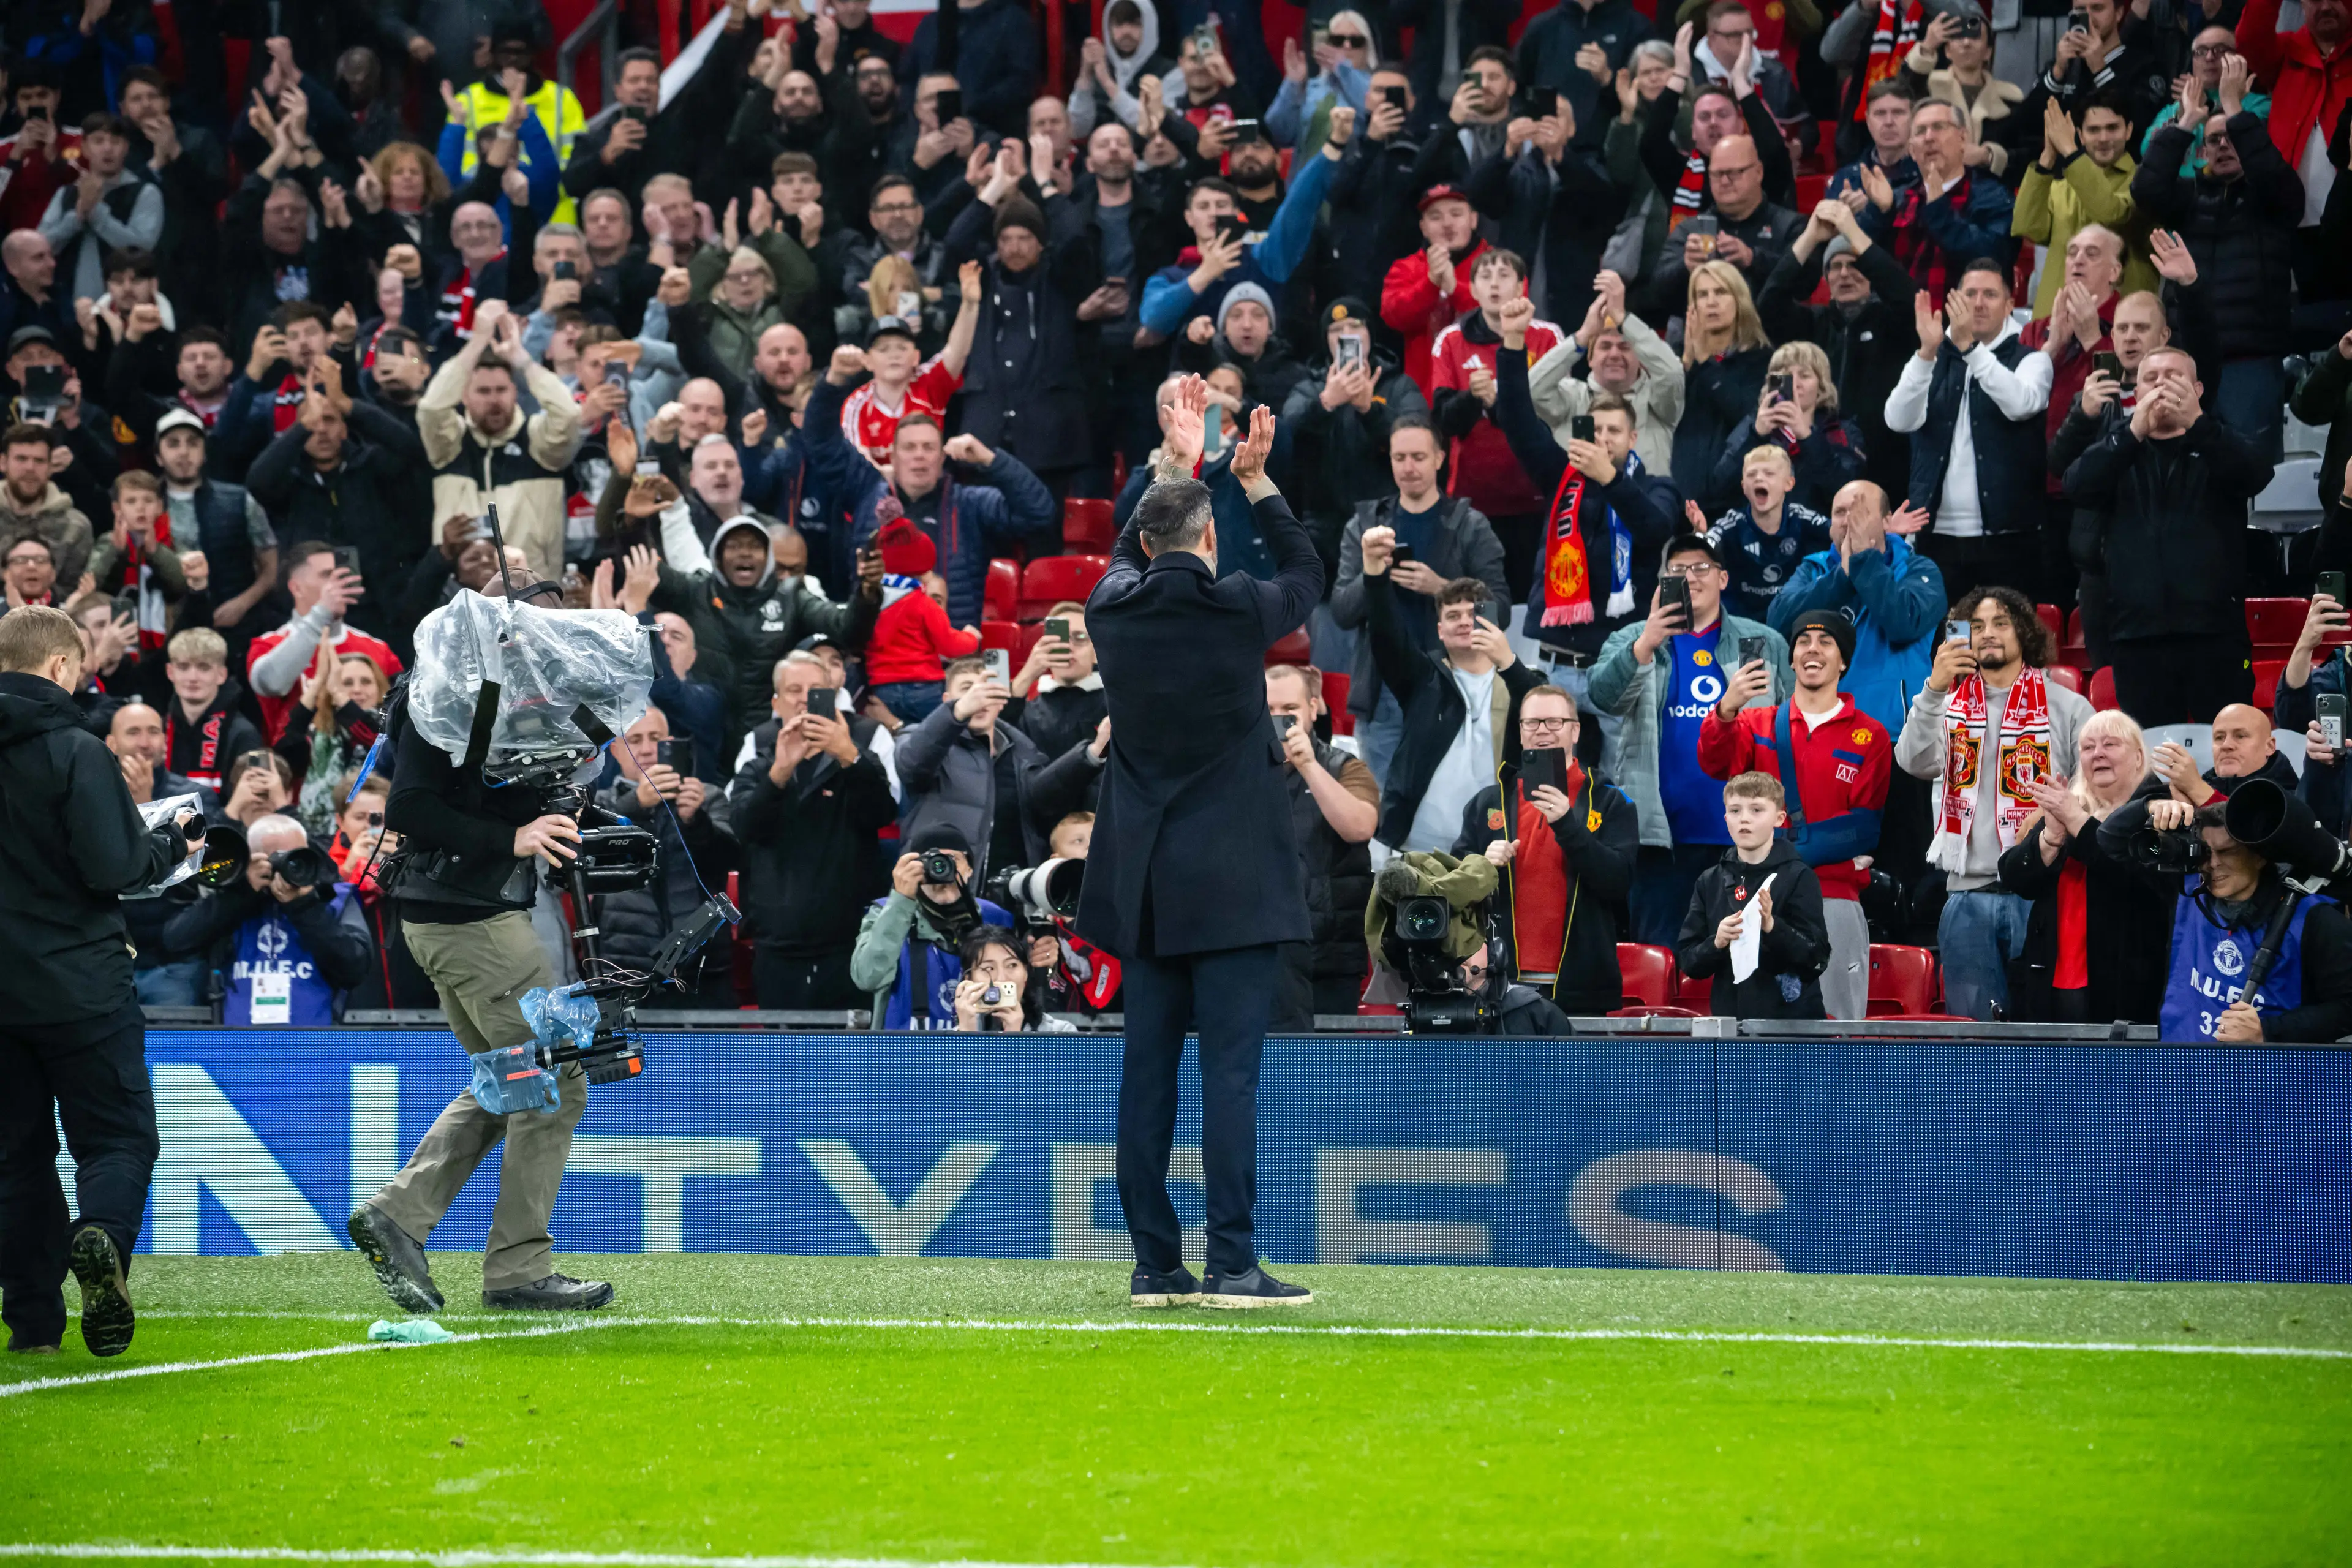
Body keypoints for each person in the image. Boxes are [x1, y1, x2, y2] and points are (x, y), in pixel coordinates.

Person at [1075, 382, 1322, 1310]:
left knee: (1147, 1079)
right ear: (1209, 543)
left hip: (1145, 886)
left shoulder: (1110, 613)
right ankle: (1232, 1266)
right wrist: (1255, 483)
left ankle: (1153, 1267)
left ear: (1144, 545)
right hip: (1237, 884)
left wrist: (1173, 464)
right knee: (1230, 1080)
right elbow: (1310, 574)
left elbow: (1116, 557)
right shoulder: (1240, 608)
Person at [349, 652, 614, 1316]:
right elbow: (409, 805)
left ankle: (398, 1216)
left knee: (511, 1079)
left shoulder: (483, 697)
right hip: (476, 923)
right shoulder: (443, 697)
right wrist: (516, 834)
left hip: (458, 918)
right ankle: (519, 1269)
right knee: (557, 1080)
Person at [0, 605, 197, 1357]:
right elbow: (115, 866)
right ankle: (102, 1239)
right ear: (58, 668)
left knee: (14, 1157)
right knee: (115, 1140)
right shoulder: (77, 750)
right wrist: (165, 844)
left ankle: (32, 1328)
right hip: (82, 985)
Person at [1896, 585, 2095, 1020]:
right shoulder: (1947, 706)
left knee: (2043, 1032)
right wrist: (1932, 688)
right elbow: (1911, 761)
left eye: (2001, 623)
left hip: (2043, 895)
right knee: (1974, 1040)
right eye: (1978, 625)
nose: (1988, 633)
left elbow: (2096, 785)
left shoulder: (2067, 706)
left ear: (2024, 632)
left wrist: (2055, 812)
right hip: (1967, 896)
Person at [1592, 532, 1792, 944]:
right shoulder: (1633, 639)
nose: (1691, 577)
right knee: (1660, 963)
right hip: (1658, 842)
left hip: (1745, 839)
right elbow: (1602, 698)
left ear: (1723, 578)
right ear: (1663, 581)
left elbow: (1791, 731)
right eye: (1678, 570)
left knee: (1744, 965)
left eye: (1701, 567)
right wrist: (1647, 642)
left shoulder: (1765, 642)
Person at [2061, 344, 2273, 725]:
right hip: (2136, 638)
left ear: (2198, 389)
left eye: (2173, 377)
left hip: (2216, 635)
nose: (2161, 386)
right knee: (2150, 767)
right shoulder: (2116, 447)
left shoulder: (2219, 440)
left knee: (2228, 756)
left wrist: (2200, 425)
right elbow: (2076, 486)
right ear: (2137, 393)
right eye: (2151, 379)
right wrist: (2132, 432)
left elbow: (2257, 474)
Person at [1697, 607, 1893, 1019]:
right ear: (1790, 658)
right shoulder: (1755, 722)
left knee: (1838, 1034)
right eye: (1803, 641)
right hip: (1757, 900)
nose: (1812, 649)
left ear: (1844, 661)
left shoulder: (1870, 735)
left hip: (1834, 898)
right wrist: (1727, 708)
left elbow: (1862, 831)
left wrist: (1783, 847)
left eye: (1826, 642)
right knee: (1754, 1031)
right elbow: (1713, 764)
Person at [1326, 414, 1507, 784]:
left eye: (1419, 458)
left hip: (1454, 688)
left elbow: (1499, 610)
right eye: (1399, 458)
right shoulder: (1363, 525)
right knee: (1382, 815)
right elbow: (1342, 611)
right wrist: (1372, 572)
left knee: (1455, 806)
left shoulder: (1470, 525)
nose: (1408, 468)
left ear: (1440, 458)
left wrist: (1443, 588)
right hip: (1382, 693)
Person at [1449, 685, 1639, 1014]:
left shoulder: (1611, 801)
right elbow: (1454, 884)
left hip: (1581, 985)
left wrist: (1567, 823)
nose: (1543, 732)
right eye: (1532, 723)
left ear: (1575, 730)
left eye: (1554, 722)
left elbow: (1617, 882)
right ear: (1520, 732)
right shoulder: (1487, 802)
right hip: (1497, 981)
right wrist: (1481, 865)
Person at [2109, 795, 2352, 1042]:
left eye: (2228, 852)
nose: (2213, 863)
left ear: (2259, 856)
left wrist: (2268, 1031)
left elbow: (2347, 1008)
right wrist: (2150, 807)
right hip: (2183, 1068)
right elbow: (2110, 838)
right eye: (2205, 852)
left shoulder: (2314, 919)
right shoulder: (2187, 889)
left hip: (2269, 1075)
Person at [731, 651, 895, 1011]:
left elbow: (882, 813)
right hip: (778, 947)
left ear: (834, 696)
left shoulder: (862, 749)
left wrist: (848, 755)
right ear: (777, 702)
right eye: (794, 690)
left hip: (851, 945)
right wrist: (780, 772)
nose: (805, 698)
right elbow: (746, 829)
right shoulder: (758, 756)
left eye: (815, 689)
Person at [1885, 258, 2054, 597]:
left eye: (1990, 295)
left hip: (2009, 540)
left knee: (2004, 639)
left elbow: (2021, 404)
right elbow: (1898, 419)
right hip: (1938, 541)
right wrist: (1925, 353)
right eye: (1970, 294)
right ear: (1953, 302)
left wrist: (1971, 350)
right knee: (1954, 640)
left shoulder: (2032, 360)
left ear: (2009, 306)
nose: (1978, 303)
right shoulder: (1932, 357)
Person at [1996, 708, 2173, 1023]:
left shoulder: (2160, 809)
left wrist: (2077, 822)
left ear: (2137, 756)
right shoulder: (2069, 804)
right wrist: (2051, 836)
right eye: (2088, 747)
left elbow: (2131, 878)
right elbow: (2015, 878)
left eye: (2110, 744)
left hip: (2125, 982)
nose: (2098, 754)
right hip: (2052, 975)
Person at [415, 302, 584, 586]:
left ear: (515, 393)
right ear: (464, 396)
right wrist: (476, 343)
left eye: (501, 390)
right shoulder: (450, 444)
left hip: (534, 596)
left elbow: (568, 414)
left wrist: (522, 359)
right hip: (462, 600)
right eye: (483, 391)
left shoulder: (538, 441)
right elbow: (431, 409)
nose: (494, 400)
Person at [160, 813, 374, 1024]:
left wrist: (304, 906)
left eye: (296, 857)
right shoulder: (231, 899)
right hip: (238, 1045)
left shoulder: (335, 897)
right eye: (274, 858)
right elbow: (176, 940)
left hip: (313, 1044)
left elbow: (355, 968)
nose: (285, 867)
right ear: (251, 858)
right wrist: (243, 891)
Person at [1264, 662, 1378, 1027]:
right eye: (1268, 711)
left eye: (1290, 710)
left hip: (1328, 956)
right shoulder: (1234, 773)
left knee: (1327, 1072)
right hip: (1257, 952)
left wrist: (1309, 765)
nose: (1279, 719)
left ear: (1313, 708)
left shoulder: (1346, 767)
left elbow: (1360, 828)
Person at [1674, 769, 1832, 1019]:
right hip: (1730, 1026)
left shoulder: (1799, 877)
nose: (1744, 819)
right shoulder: (1709, 880)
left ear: (1779, 818)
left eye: (1757, 810)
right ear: (1725, 817)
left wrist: (1772, 926)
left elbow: (1816, 957)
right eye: (1735, 811)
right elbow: (1688, 961)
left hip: (1792, 1029)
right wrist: (1716, 942)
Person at [1525, 269, 1686, 482]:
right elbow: (1530, 389)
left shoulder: (1658, 401)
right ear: (1590, 359)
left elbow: (1672, 372)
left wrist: (1624, 320)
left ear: (1641, 357)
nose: (1615, 354)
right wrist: (1582, 337)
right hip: (1580, 510)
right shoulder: (1572, 398)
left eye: (1625, 347)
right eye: (1605, 346)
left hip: (1646, 508)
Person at [850, 823, 1014, 1027]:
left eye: (952, 859)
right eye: (931, 861)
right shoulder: (885, 913)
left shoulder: (994, 918)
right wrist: (901, 900)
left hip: (977, 1050)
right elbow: (867, 978)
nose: (941, 868)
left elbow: (1017, 991)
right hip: (903, 1053)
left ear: (970, 868)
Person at [246, 543, 404, 745]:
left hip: (368, 771)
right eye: (327, 575)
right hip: (297, 770)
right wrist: (321, 615)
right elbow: (270, 684)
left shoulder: (377, 649)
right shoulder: (269, 645)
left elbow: (396, 723)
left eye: (342, 574)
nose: (339, 582)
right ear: (297, 588)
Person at [1670, 260, 1773, 514]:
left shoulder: (1762, 360)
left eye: (1721, 292)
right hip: (1682, 503)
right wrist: (1687, 362)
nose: (1711, 302)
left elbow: (1746, 415)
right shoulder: (1677, 364)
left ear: (1739, 300)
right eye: (1702, 295)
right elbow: (1664, 419)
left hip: (1737, 504)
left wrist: (1706, 362)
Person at [862, 517, 979, 724]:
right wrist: (971, 638)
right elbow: (950, 645)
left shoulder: (869, 602)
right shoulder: (922, 603)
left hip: (883, 690)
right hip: (924, 688)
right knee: (937, 740)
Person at [1705, 444, 1834, 620]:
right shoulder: (1732, 523)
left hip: (1792, 618)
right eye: (1752, 474)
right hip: (1743, 623)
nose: (1759, 478)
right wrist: (1699, 534)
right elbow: (1703, 546)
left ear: (1789, 483)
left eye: (1769, 473)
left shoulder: (1802, 517)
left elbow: (1838, 533)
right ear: (1743, 486)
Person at [157, 627, 264, 791]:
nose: (193, 678)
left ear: (222, 675)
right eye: (184, 667)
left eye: (204, 668)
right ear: (170, 672)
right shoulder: (158, 729)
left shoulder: (244, 734)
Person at [948, 925, 1080, 1032]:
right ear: (969, 979)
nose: (1001, 978)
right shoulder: (951, 1039)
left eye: (1012, 965)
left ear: (1025, 973)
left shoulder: (1060, 1032)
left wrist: (1014, 1039)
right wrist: (966, 1035)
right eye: (988, 968)